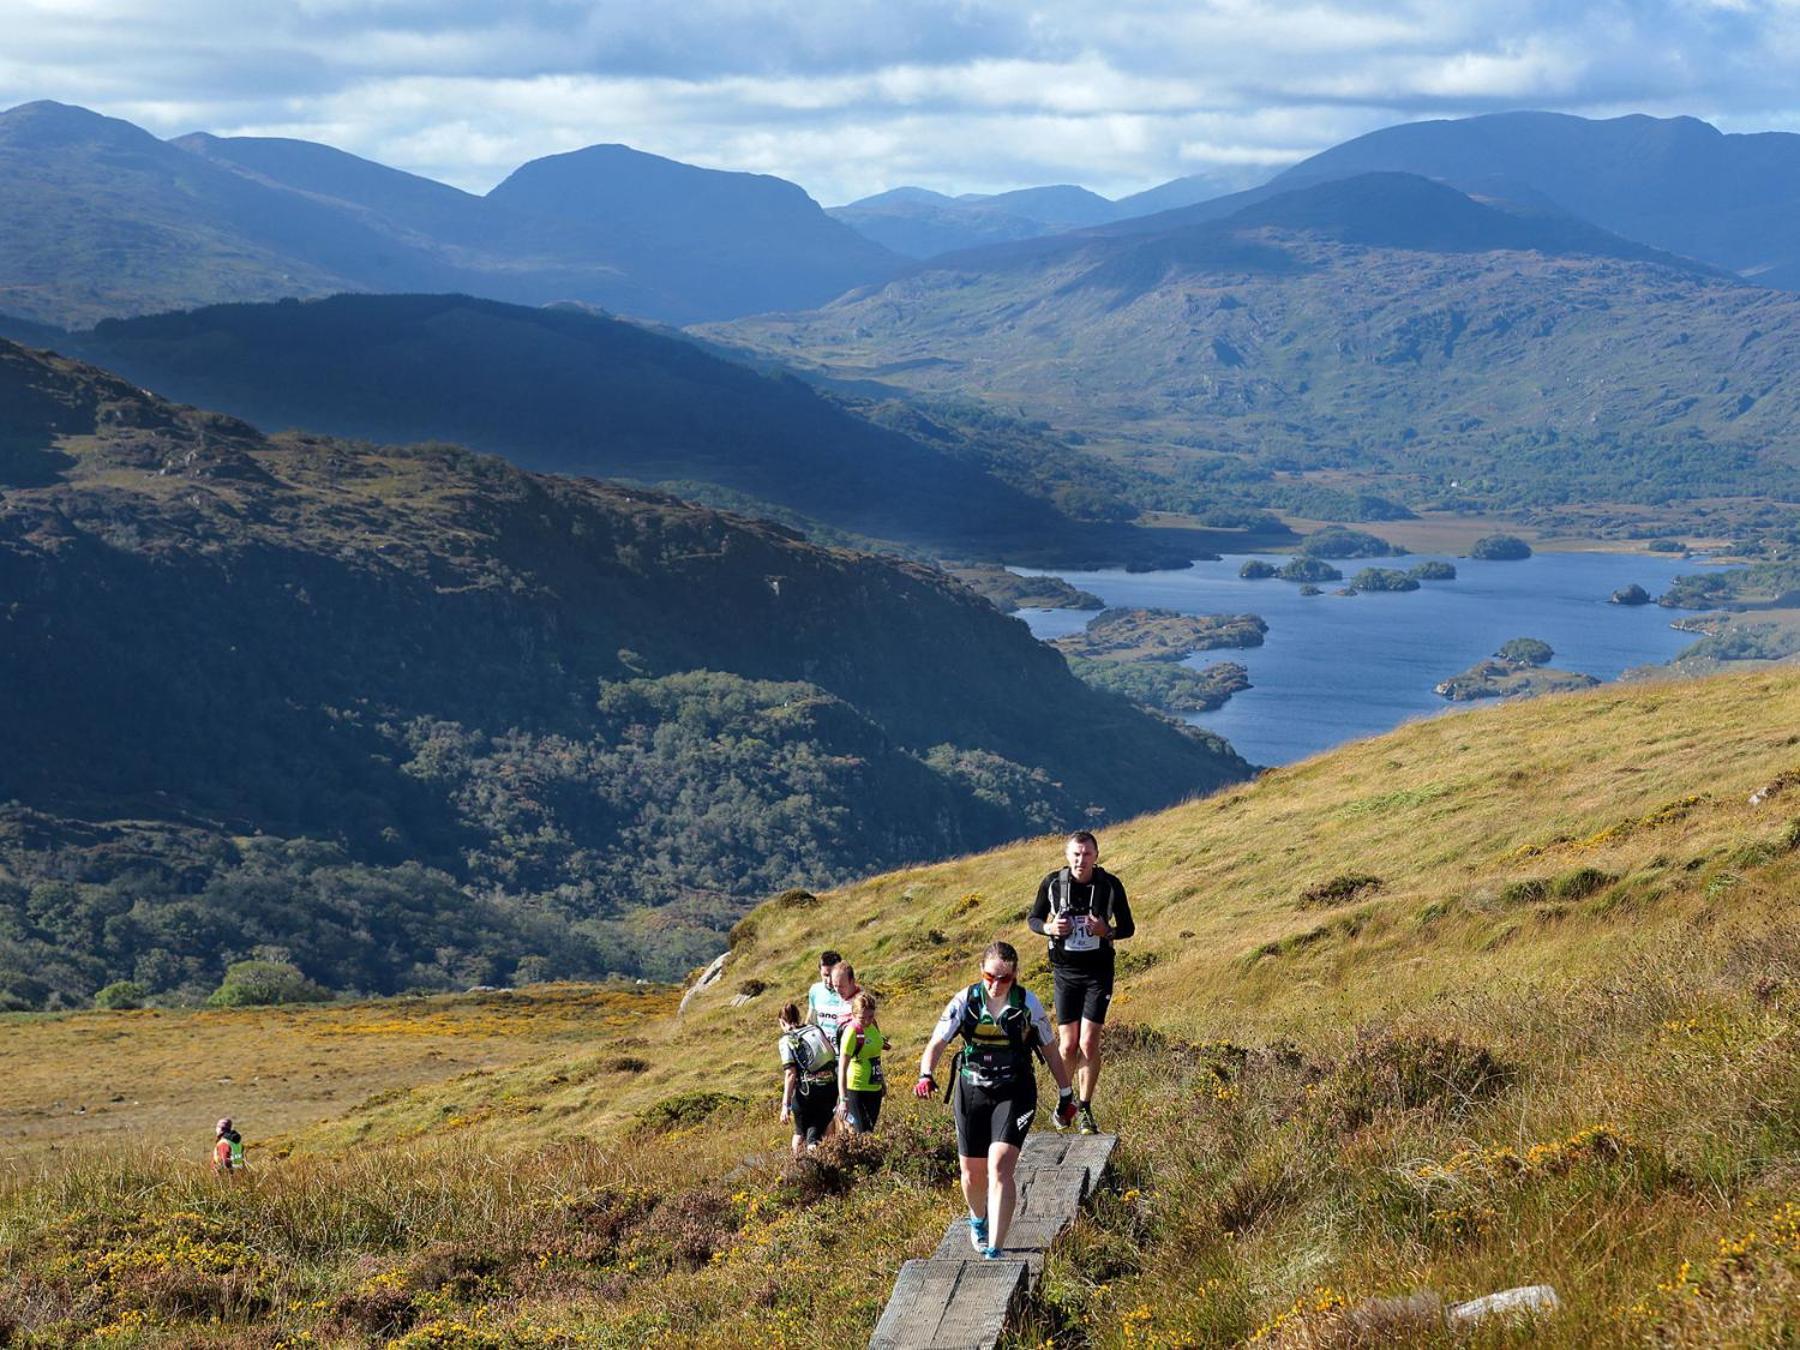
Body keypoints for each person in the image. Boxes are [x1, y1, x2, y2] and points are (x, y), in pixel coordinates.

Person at [914, 940, 1076, 1260]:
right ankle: (978, 1220)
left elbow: (1050, 1051)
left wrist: (1065, 1093)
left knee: (1000, 1164)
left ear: (1015, 976)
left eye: (1004, 978)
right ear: (981, 971)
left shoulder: (1028, 1003)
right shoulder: (965, 1000)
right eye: (990, 976)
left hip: (1014, 1089)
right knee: (972, 1174)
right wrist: (925, 1074)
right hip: (971, 1089)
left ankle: (995, 1248)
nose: (995, 985)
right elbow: (937, 1042)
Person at [1027, 830, 1134, 1135]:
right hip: (1064, 972)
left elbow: (1128, 927)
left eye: (1087, 854)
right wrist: (1050, 928)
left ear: (1096, 856)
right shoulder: (1052, 883)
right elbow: (1033, 919)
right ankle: (1066, 1100)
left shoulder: (1110, 885)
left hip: (1099, 973)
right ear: (1067, 856)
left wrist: (1106, 930)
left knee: (1088, 1042)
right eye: (1075, 854)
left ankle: (1085, 1108)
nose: (1081, 860)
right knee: (1068, 1044)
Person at [777, 1003, 838, 1156]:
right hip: (830, 1087)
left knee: (800, 1132)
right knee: (825, 1123)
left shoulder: (786, 1040)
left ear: (782, 1022)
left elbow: (790, 1073)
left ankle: (798, 1163)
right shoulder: (815, 1029)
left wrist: (786, 1104)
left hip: (807, 1092)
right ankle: (830, 1157)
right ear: (798, 1016)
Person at [835, 990, 886, 1134]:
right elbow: (842, 1068)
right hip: (856, 1088)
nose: (867, 1021)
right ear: (853, 1015)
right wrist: (843, 1099)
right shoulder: (851, 1032)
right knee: (861, 1133)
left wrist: (882, 1081)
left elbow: (876, 1057)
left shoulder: (873, 1025)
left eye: (871, 1016)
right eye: (862, 1018)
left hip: (874, 1088)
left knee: (869, 1131)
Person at [809, 959, 860, 1050]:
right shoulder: (840, 996)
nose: (838, 991)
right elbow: (810, 1021)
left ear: (852, 981)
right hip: (829, 1056)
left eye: (841, 986)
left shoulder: (860, 1001)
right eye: (835, 986)